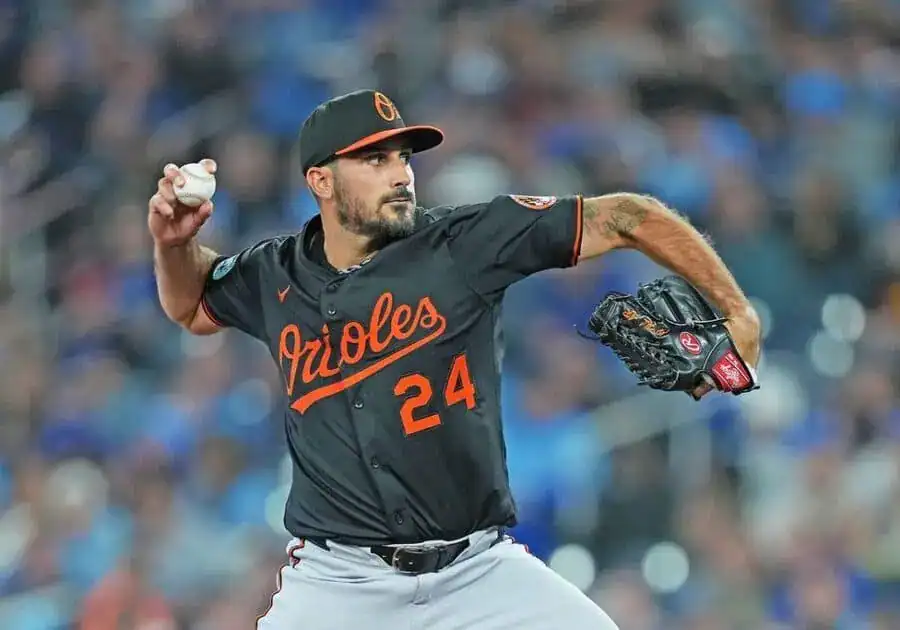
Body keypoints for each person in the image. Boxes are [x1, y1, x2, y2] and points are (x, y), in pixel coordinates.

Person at [148, 89, 761, 629]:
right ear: (321, 181)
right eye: (374, 158)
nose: (400, 174)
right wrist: (173, 245)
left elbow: (629, 216)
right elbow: (193, 307)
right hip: (339, 585)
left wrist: (737, 310)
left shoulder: (462, 243)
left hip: (479, 573)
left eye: (404, 157)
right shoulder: (273, 274)